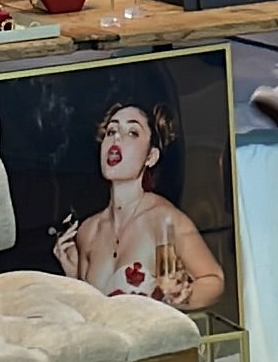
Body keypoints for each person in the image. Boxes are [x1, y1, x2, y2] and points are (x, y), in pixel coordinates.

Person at [54, 92, 223, 309]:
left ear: (151, 157)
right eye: (111, 131)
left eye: (132, 132)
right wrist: (74, 278)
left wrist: (183, 298)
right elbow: (92, 312)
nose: (116, 138)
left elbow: (214, 280)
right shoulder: (89, 231)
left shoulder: (163, 219)